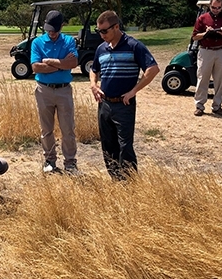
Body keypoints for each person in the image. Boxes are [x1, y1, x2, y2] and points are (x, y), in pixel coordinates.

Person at [89, 10, 159, 181]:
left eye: (104, 31)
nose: (101, 35)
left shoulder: (134, 46)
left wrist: (134, 91)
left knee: (125, 146)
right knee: (107, 145)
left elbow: (153, 69)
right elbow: (93, 69)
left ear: (116, 27)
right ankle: (116, 180)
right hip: (104, 104)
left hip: (124, 105)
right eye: (99, 31)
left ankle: (130, 183)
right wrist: (93, 85)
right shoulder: (101, 49)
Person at [30, 10, 79, 175]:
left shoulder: (69, 41)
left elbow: (72, 63)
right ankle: (50, 160)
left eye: (54, 30)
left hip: (64, 90)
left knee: (68, 129)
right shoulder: (37, 42)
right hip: (43, 89)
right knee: (46, 129)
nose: (51, 33)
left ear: (61, 27)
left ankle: (70, 163)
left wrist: (50, 62)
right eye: (48, 29)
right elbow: (36, 67)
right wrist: (61, 63)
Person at [192, 0, 222, 117]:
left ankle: (217, 106)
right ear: (209, 6)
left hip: (221, 50)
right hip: (205, 50)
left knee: (220, 80)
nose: (216, 10)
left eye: (219, 8)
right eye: (213, 7)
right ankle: (199, 105)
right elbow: (194, 36)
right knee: (202, 78)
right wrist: (205, 33)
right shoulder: (202, 18)